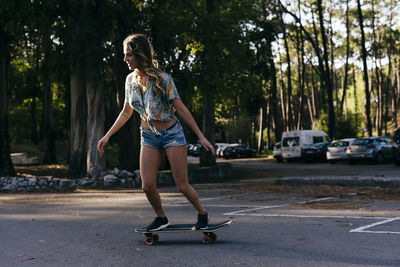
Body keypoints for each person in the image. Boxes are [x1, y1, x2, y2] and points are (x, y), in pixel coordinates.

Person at [97, 33, 215, 231]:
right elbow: (126, 112)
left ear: (140, 54)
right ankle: (161, 218)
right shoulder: (130, 81)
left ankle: (202, 212)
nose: (125, 59)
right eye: (125, 55)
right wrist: (108, 135)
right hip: (149, 136)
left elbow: (182, 109)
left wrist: (201, 136)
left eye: (128, 55)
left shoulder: (163, 79)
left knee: (182, 185)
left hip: (172, 134)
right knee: (147, 186)